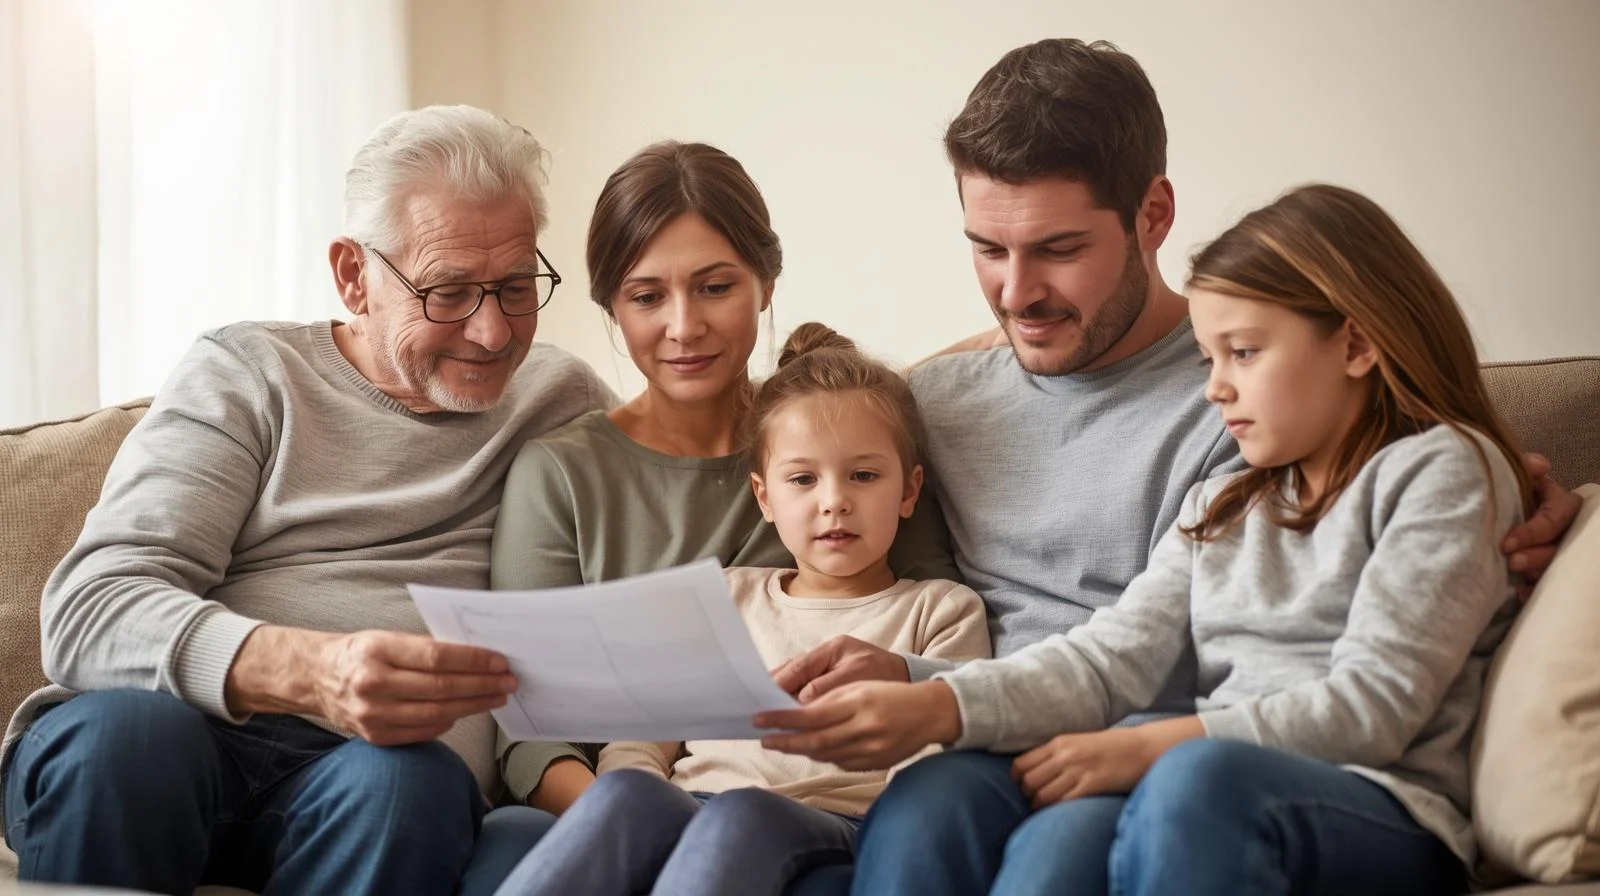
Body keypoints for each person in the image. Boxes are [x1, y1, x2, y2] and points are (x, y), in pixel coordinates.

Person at [755, 39, 1581, 894]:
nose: (1013, 294)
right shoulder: (1224, 493)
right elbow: (1107, 654)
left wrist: (1147, 746)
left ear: (1152, 216)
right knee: (930, 798)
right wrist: (925, 693)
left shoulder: (1394, 458)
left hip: (1266, 775)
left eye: (1058, 249)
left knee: (1140, 806)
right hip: (1085, 740)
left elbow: (1364, 688)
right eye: (989, 251)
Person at [0, 105, 614, 895]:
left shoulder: (563, 401)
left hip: (369, 776)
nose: (493, 332)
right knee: (132, 743)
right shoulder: (250, 373)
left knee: (409, 786)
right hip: (174, 733)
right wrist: (314, 669)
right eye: (450, 291)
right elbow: (91, 610)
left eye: (517, 286)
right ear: (355, 277)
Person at [493, 322, 991, 896]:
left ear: (908, 491)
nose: (834, 502)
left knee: (744, 814)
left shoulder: (941, 611)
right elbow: (644, 736)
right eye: (802, 479)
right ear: (765, 498)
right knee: (625, 792)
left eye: (863, 475)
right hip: (690, 804)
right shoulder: (725, 596)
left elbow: (937, 759)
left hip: (836, 821)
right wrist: (633, 796)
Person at [486, 141, 796, 827]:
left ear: (766, 282)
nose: (684, 327)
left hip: (798, 807)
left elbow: (918, 628)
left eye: (716, 287)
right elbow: (533, 735)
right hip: (615, 814)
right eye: (647, 297)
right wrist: (651, 824)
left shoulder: (838, 452)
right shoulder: (561, 474)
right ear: (611, 307)